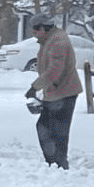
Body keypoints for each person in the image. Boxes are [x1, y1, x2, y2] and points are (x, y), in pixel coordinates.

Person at [24, 13, 83, 169]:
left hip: (64, 92)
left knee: (56, 130)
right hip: (56, 91)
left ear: (43, 28)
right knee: (48, 128)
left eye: (36, 31)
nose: (34, 35)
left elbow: (54, 70)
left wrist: (35, 87)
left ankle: (59, 164)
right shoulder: (49, 40)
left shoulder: (57, 42)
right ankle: (54, 163)